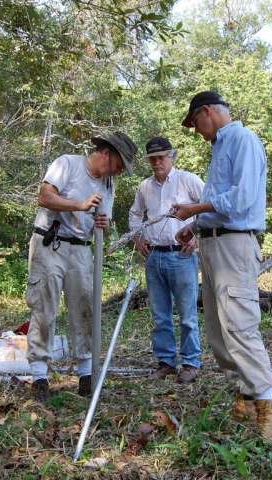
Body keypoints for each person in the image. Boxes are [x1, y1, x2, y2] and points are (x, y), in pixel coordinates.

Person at [172, 91, 272, 442]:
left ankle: (268, 408)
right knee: (219, 332)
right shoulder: (220, 146)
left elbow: (242, 199)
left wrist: (195, 209)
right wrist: (195, 227)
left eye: (195, 123)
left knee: (240, 325)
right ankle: (246, 393)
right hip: (213, 244)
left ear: (207, 112)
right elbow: (218, 206)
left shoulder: (243, 139)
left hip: (235, 246)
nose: (196, 131)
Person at [26, 132, 137, 401]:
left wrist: (103, 223)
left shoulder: (109, 184)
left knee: (85, 306)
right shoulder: (67, 164)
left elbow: (102, 218)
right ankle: (40, 376)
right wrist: (79, 204)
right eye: (120, 165)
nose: (119, 172)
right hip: (50, 243)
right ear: (106, 154)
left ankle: (86, 374)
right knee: (45, 305)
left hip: (82, 249)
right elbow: (45, 197)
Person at [129, 137, 205, 383]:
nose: (157, 162)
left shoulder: (188, 180)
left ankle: (191, 363)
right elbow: (135, 213)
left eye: (161, 157)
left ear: (171, 156)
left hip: (181, 255)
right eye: (152, 158)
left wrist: (197, 235)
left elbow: (208, 207)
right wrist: (137, 237)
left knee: (187, 314)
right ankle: (166, 362)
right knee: (160, 314)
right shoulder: (145, 187)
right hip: (154, 256)